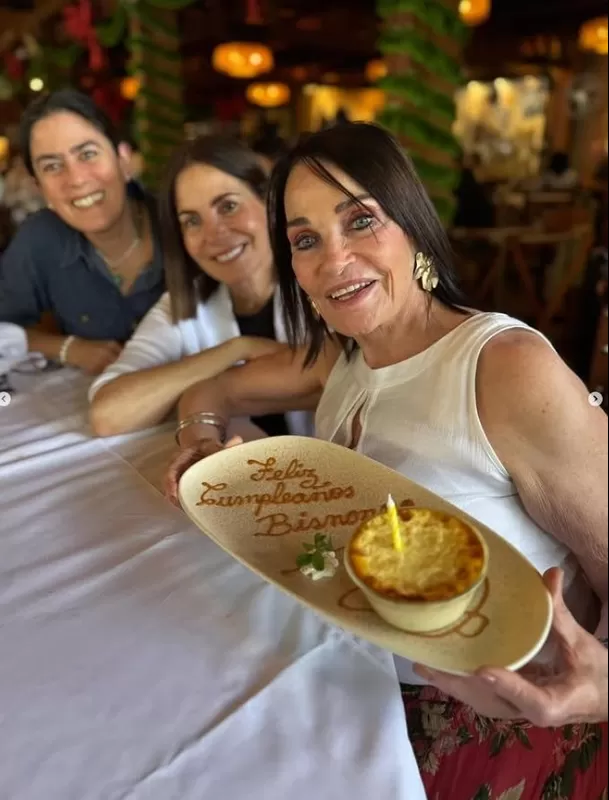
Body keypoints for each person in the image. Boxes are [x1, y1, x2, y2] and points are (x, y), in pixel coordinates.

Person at [164, 123, 608, 798]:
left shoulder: (502, 368)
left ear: (413, 226)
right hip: (371, 696)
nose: (333, 258)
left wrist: (601, 686)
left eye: (360, 220)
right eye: (305, 240)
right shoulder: (348, 363)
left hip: (512, 728)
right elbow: (212, 390)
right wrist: (199, 438)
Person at [88, 135, 312, 440]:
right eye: (192, 221)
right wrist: (237, 349)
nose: (214, 233)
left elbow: (343, 381)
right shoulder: (184, 303)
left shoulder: (321, 281)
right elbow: (108, 415)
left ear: (270, 203)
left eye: (229, 206)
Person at [0, 89, 165, 375]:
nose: (76, 179)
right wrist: (66, 347)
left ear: (123, 160)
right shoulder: (41, 239)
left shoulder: (183, 224)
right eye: (52, 166)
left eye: (87, 154)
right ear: (40, 188)